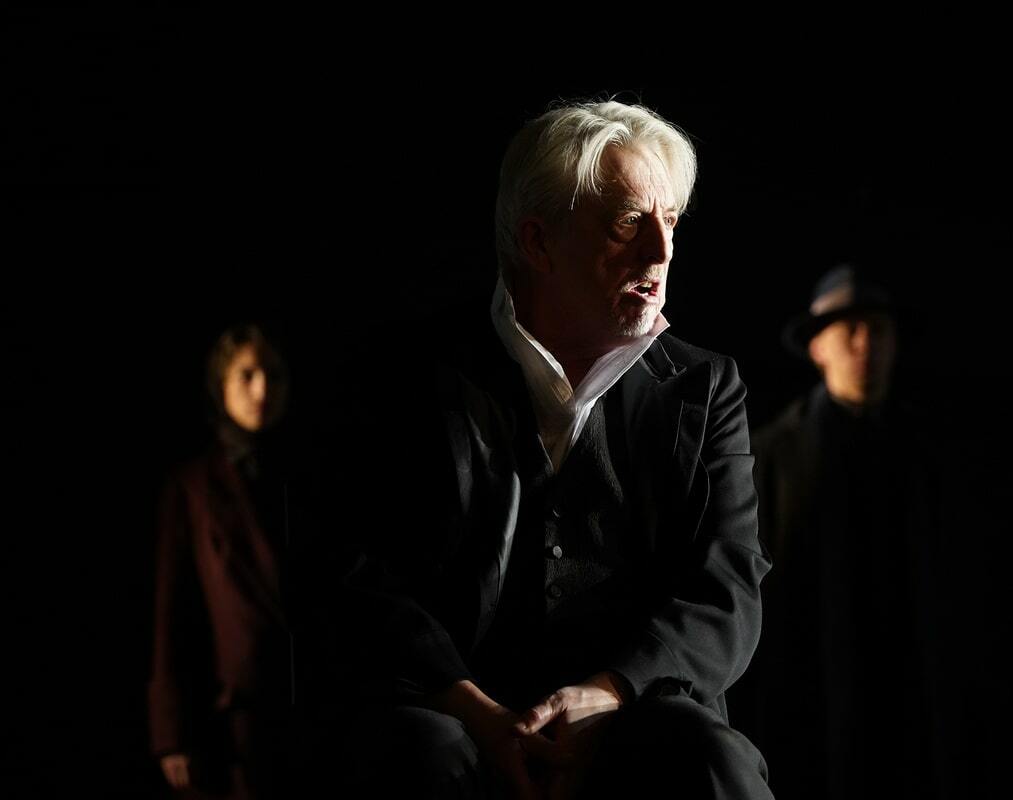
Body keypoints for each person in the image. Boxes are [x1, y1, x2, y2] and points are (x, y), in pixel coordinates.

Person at [331, 100, 774, 798]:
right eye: (628, 222)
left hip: (631, 712)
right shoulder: (408, 374)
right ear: (538, 243)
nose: (660, 253)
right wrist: (473, 710)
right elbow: (353, 574)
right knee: (416, 754)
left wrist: (611, 690)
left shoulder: (705, 387)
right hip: (453, 712)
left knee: (711, 760)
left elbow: (727, 586)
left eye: (670, 221)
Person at [742, 264, 948, 798]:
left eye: (878, 330)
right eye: (849, 330)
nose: (865, 345)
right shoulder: (770, 456)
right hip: (809, 687)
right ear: (817, 348)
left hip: (912, 685)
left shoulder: (925, 452)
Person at [148, 324, 299, 799]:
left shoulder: (307, 474)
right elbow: (171, 610)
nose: (262, 389)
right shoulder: (193, 486)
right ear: (221, 385)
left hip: (313, 708)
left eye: (273, 375)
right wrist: (172, 731)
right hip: (233, 719)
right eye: (247, 375)